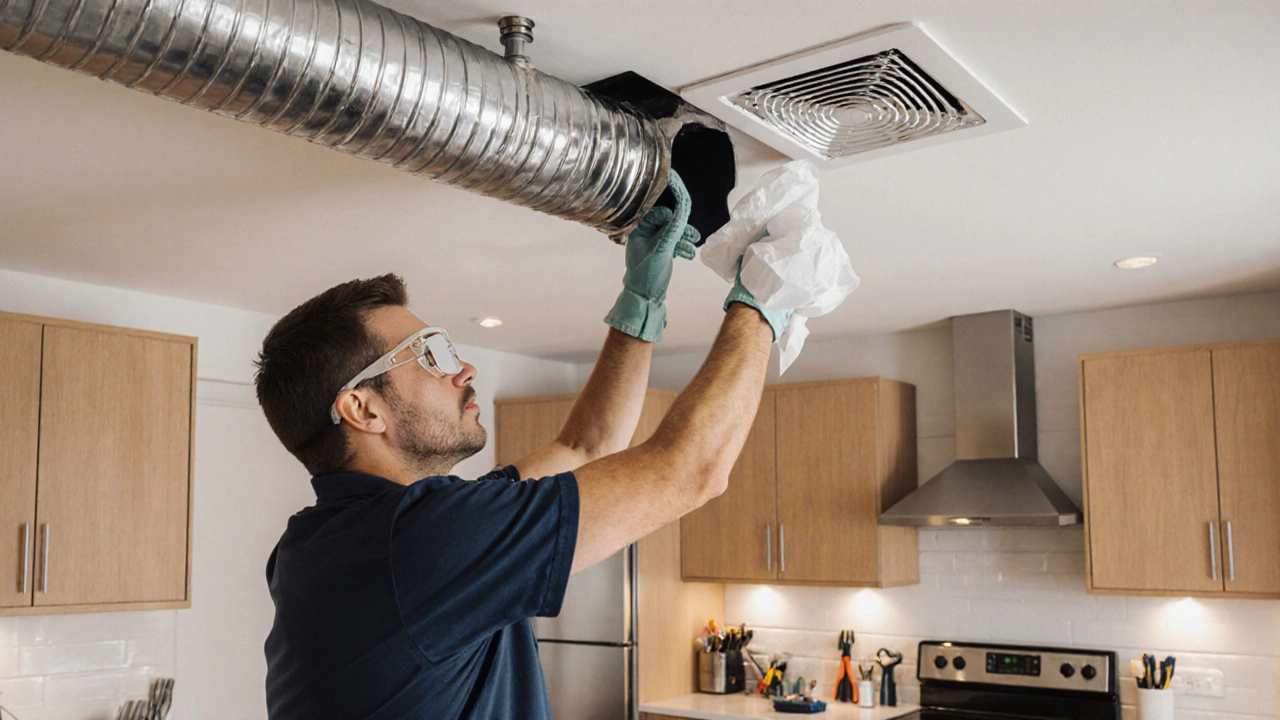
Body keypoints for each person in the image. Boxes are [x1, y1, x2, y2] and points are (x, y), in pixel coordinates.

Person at [253, 175, 796, 720]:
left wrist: (642, 300)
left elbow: (585, 446)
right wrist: (764, 300)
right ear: (363, 409)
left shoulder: (333, 543)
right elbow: (691, 470)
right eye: (430, 354)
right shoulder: (418, 542)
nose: (464, 368)